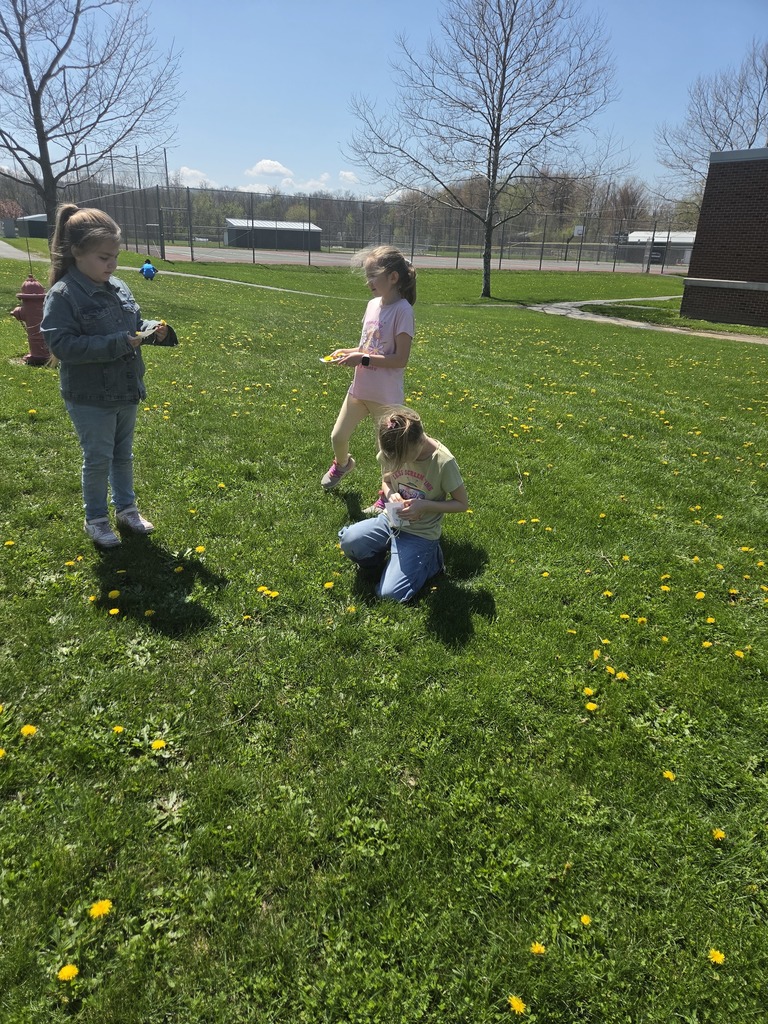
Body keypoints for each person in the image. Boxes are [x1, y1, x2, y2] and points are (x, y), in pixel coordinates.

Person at [41, 204, 176, 549]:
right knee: (98, 457)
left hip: (126, 389)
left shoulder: (118, 286)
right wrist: (117, 343)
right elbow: (62, 344)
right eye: (104, 257)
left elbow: (133, 324)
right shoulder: (64, 295)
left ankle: (127, 509)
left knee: (122, 454)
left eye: (115, 256)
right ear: (77, 253)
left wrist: (152, 329)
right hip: (90, 397)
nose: (112, 265)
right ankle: (97, 519)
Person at [338, 407, 469, 603]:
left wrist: (424, 506)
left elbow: (462, 503)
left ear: (419, 442)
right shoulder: (393, 449)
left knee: (389, 595)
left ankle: (431, 561)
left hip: (421, 534)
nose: (398, 464)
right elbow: (386, 480)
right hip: (390, 520)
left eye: (404, 460)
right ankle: (385, 561)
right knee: (349, 540)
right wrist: (391, 495)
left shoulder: (443, 462)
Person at [321, 245, 416, 512]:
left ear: (393, 278)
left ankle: (386, 497)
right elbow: (369, 347)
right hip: (360, 389)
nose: (368, 282)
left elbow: (400, 359)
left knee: (387, 454)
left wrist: (360, 358)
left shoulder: (403, 311)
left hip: (386, 398)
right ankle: (343, 464)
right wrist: (348, 351)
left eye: (373, 275)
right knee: (337, 436)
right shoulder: (372, 305)